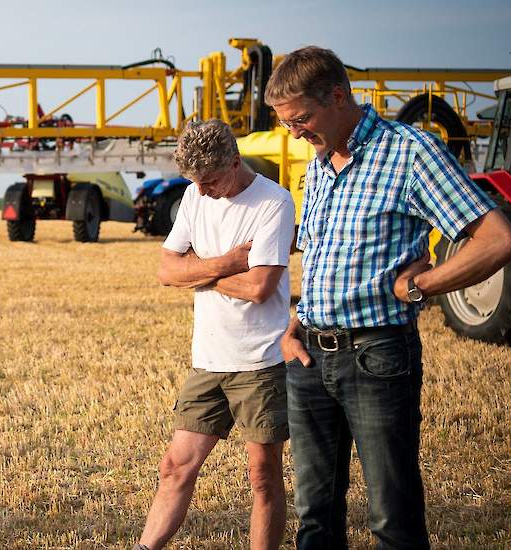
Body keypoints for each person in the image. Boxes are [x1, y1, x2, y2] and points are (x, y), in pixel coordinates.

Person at [265, 46, 511, 549]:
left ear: (338, 96)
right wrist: (296, 322)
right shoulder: (317, 163)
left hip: (376, 355)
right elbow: (321, 253)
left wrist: (422, 284)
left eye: (301, 119)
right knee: (314, 517)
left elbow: (498, 238)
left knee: (391, 519)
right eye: (286, 123)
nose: (294, 133)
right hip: (308, 356)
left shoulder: (411, 151)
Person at [135, 119, 295, 550]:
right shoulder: (193, 194)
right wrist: (226, 263)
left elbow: (260, 288)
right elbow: (166, 270)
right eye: (196, 182)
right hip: (208, 359)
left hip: (260, 363)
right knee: (175, 466)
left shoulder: (274, 202)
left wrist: (197, 270)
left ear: (236, 162)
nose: (202, 192)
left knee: (262, 477)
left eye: (210, 181)